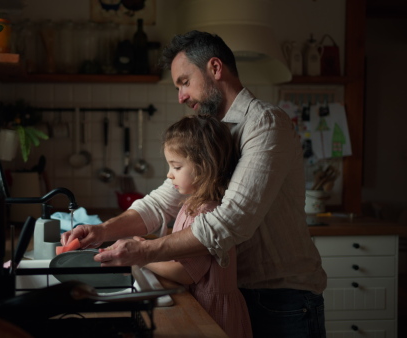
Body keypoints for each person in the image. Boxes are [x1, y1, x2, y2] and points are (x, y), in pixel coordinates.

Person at [61, 30, 327, 338]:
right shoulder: (213, 131)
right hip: (239, 293)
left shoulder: (265, 123)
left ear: (215, 68)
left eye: (184, 82)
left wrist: (145, 251)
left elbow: (231, 222)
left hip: (283, 299)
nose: (181, 97)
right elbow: (163, 200)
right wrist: (103, 231)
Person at [141, 114, 251, 338]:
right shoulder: (191, 205)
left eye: (176, 166)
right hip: (201, 304)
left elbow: (184, 273)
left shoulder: (207, 213)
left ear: (203, 168)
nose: (169, 174)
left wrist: (143, 257)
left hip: (215, 314)